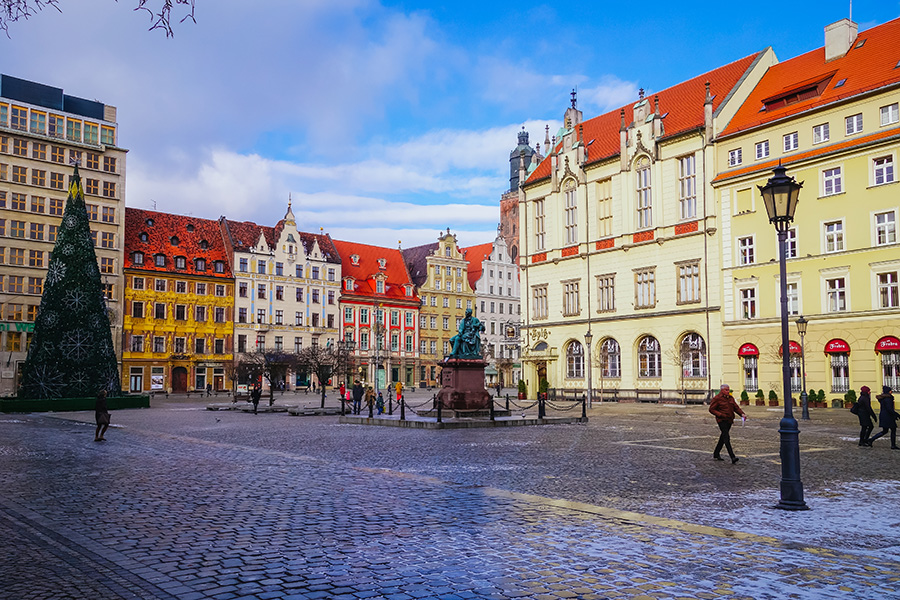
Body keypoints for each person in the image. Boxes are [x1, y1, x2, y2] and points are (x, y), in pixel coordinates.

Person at [709, 384, 747, 464]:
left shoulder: (730, 398)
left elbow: (736, 408)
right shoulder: (717, 398)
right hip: (721, 420)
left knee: (723, 437)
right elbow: (711, 409)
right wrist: (720, 415)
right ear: (722, 390)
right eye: (726, 390)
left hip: (729, 420)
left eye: (728, 390)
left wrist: (742, 414)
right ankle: (732, 457)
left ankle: (716, 453)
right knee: (726, 437)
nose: (728, 391)